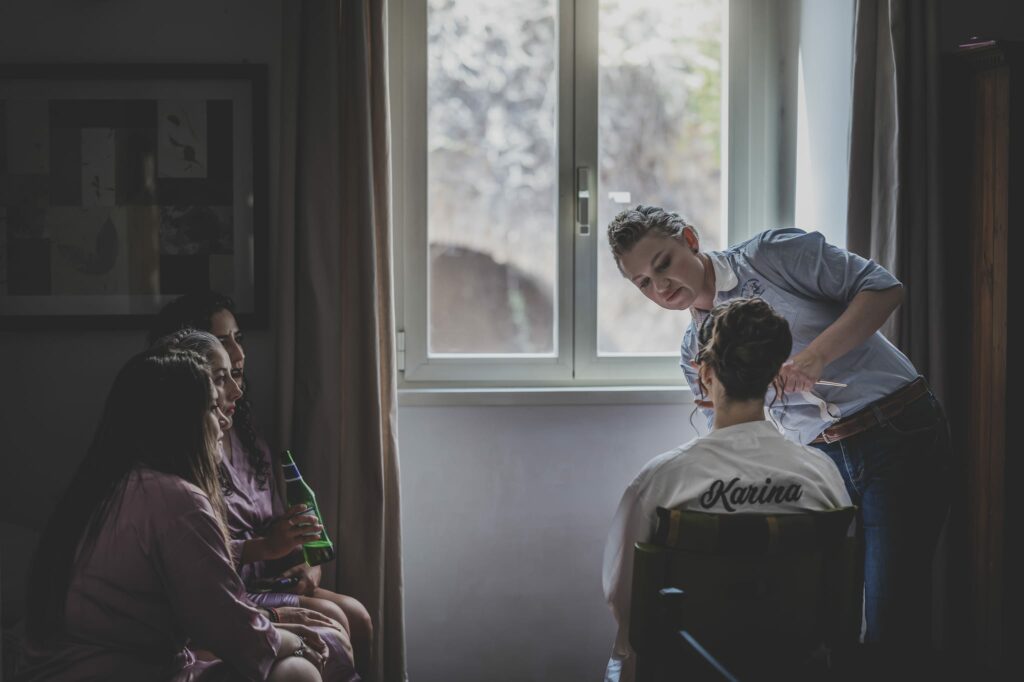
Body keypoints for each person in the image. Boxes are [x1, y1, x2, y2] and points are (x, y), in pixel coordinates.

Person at [606, 205, 951, 665]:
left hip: (896, 430)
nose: (661, 287)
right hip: (820, 465)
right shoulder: (695, 353)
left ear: (690, 238)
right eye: (643, 282)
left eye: (663, 264)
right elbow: (731, 439)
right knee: (832, 619)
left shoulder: (772, 255)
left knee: (891, 618)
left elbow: (886, 288)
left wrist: (817, 357)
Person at [16, 351, 325, 681]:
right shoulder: (175, 498)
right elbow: (227, 626)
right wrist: (295, 643)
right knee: (297, 672)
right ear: (180, 420)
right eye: (211, 407)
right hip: (117, 669)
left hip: (54, 668)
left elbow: (194, 573)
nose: (223, 420)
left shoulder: (106, 485)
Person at [602, 297, 852, 682]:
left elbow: (625, 599)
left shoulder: (662, 480)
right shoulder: (822, 475)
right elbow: (839, 595)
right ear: (774, 377)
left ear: (704, 373)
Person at [149, 292, 373, 674]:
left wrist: (305, 562)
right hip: (232, 588)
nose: (238, 354)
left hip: (269, 576)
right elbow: (200, 555)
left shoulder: (248, 438)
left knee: (358, 616)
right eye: (222, 342)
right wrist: (265, 548)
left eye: (239, 338)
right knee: (336, 623)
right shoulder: (181, 454)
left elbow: (277, 525)